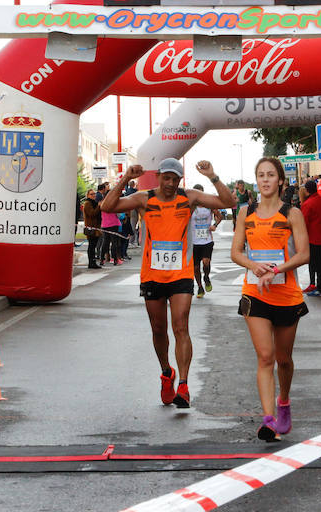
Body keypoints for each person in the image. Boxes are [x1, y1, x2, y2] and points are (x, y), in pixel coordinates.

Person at [101, 158, 236, 408]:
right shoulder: (144, 198)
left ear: (180, 180)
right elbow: (107, 207)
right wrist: (125, 178)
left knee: (181, 326)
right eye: (167, 178)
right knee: (158, 330)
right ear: (159, 176)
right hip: (152, 275)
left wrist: (213, 176)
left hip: (181, 275)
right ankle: (167, 373)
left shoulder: (190, 197)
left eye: (175, 179)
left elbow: (229, 203)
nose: (171, 184)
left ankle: (183, 385)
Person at [230, 157, 309, 441]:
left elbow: (304, 254)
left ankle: (284, 401)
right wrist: (253, 266)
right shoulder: (245, 212)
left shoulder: (292, 213)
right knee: (265, 357)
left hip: (286, 294)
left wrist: (275, 269)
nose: (265, 180)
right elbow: (235, 251)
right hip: (255, 293)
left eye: (270, 175)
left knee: (283, 359)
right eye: (261, 175)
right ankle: (268, 419)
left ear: (280, 181)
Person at [300, 178, 321, 296]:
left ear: (307, 191)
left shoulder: (307, 204)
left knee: (316, 263)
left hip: (312, 237)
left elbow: (304, 223)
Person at [190, 184, 222, 298]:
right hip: (194, 242)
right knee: (196, 267)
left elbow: (220, 216)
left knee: (206, 262)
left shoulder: (209, 205)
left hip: (207, 240)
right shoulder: (191, 207)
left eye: (200, 193)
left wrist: (215, 225)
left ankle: (206, 277)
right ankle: (199, 287)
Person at [82, 188, 102, 269]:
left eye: (94, 194)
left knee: (93, 246)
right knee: (91, 246)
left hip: (95, 228)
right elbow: (92, 214)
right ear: (87, 195)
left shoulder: (94, 203)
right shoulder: (87, 203)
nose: (94, 195)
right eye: (91, 194)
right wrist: (99, 207)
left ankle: (93, 262)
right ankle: (91, 263)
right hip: (91, 228)